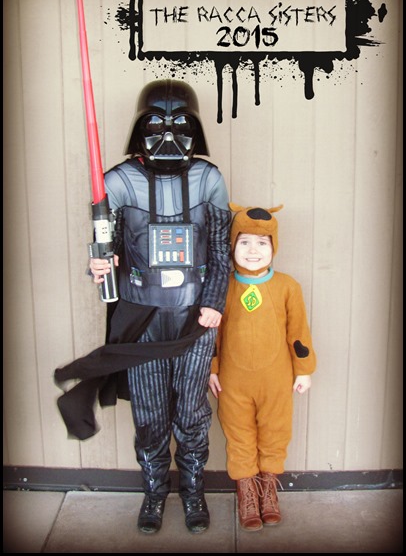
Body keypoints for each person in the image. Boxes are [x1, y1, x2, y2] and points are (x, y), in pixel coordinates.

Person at [89, 80, 231, 535]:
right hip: (142, 317)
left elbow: (221, 249)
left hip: (194, 318)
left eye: (180, 125)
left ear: (195, 129)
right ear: (139, 128)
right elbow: (107, 249)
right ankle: (154, 491)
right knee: (150, 415)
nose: (168, 136)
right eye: (155, 125)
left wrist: (213, 303)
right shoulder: (118, 181)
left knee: (191, 414)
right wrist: (99, 264)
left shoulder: (208, 178)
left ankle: (192, 489)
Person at [209, 203, 316, 532]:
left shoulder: (287, 286)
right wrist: (212, 368)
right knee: (238, 434)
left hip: (276, 381)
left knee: (275, 432)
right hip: (233, 382)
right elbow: (214, 334)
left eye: (261, 243)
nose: (253, 250)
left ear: (273, 246)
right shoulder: (223, 286)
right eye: (244, 242)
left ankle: (268, 489)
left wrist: (304, 369)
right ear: (232, 246)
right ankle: (246, 492)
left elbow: (298, 332)